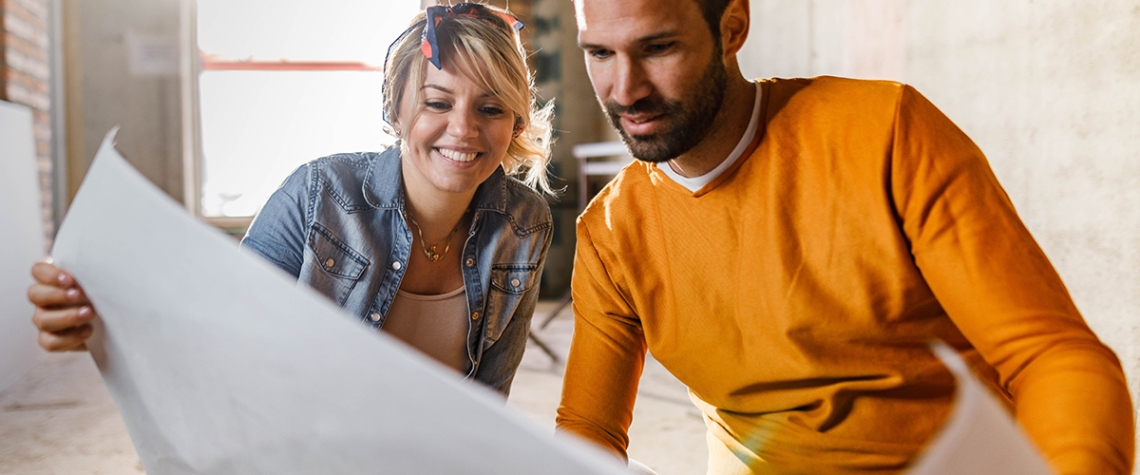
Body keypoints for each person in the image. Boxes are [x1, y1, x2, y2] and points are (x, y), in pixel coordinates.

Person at [556, 0, 1134, 474]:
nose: (625, 89)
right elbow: (588, 430)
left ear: (732, 28)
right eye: (600, 54)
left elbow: (1053, 358)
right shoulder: (611, 232)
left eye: (658, 48)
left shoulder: (885, 132)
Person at [28, 3, 554, 396]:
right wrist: (103, 321)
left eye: (490, 109)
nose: (463, 129)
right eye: (437, 102)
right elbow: (218, 330)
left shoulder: (525, 225)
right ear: (395, 109)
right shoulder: (318, 194)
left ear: (515, 123)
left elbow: (487, 399)